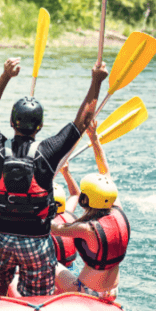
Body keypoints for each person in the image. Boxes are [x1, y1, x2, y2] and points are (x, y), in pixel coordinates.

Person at [0, 56, 108, 297]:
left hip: (1, 238)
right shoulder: (49, 151)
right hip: (35, 241)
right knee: (38, 296)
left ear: (10, 122)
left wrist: (6, 76)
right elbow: (83, 121)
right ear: (39, 127)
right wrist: (96, 82)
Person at [52, 120, 129, 300]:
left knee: (51, 263)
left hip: (87, 290)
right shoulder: (117, 210)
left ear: (85, 200)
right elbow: (105, 173)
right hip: (112, 291)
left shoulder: (86, 229)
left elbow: (52, 228)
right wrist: (94, 138)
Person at [51, 183, 78, 269]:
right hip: (72, 269)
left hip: (53, 272)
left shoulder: (38, 223)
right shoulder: (67, 214)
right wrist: (66, 172)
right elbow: (75, 194)